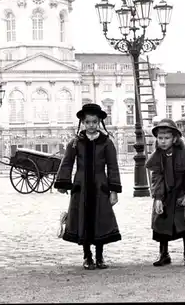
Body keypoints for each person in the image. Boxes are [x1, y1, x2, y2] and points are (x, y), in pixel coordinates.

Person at [54, 103, 122, 270]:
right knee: (82, 218)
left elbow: (113, 166)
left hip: (100, 186)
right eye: (88, 122)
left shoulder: (107, 142)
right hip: (81, 186)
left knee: (100, 219)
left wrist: (114, 190)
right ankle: (87, 256)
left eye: (94, 122)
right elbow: (67, 162)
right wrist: (63, 183)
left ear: (99, 122)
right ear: (83, 123)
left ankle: (100, 256)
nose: (91, 125)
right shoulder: (76, 142)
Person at [145, 118, 185, 267]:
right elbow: (156, 177)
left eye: (167, 138)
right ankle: (164, 254)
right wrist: (157, 197)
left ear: (175, 138)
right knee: (161, 222)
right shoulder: (157, 156)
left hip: (183, 193)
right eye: (160, 138)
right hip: (165, 194)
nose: (163, 141)